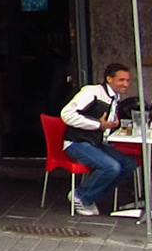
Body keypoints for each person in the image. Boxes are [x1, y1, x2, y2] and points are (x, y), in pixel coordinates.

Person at [58, 63, 140, 216]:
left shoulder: (116, 98)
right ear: (109, 79)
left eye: (128, 80)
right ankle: (81, 196)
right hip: (77, 142)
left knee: (130, 164)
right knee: (112, 167)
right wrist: (98, 124)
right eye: (121, 80)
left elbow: (104, 125)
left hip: (96, 143)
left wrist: (111, 126)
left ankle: (91, 197)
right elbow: (67, 114)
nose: (126, 84)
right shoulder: (92, 92)